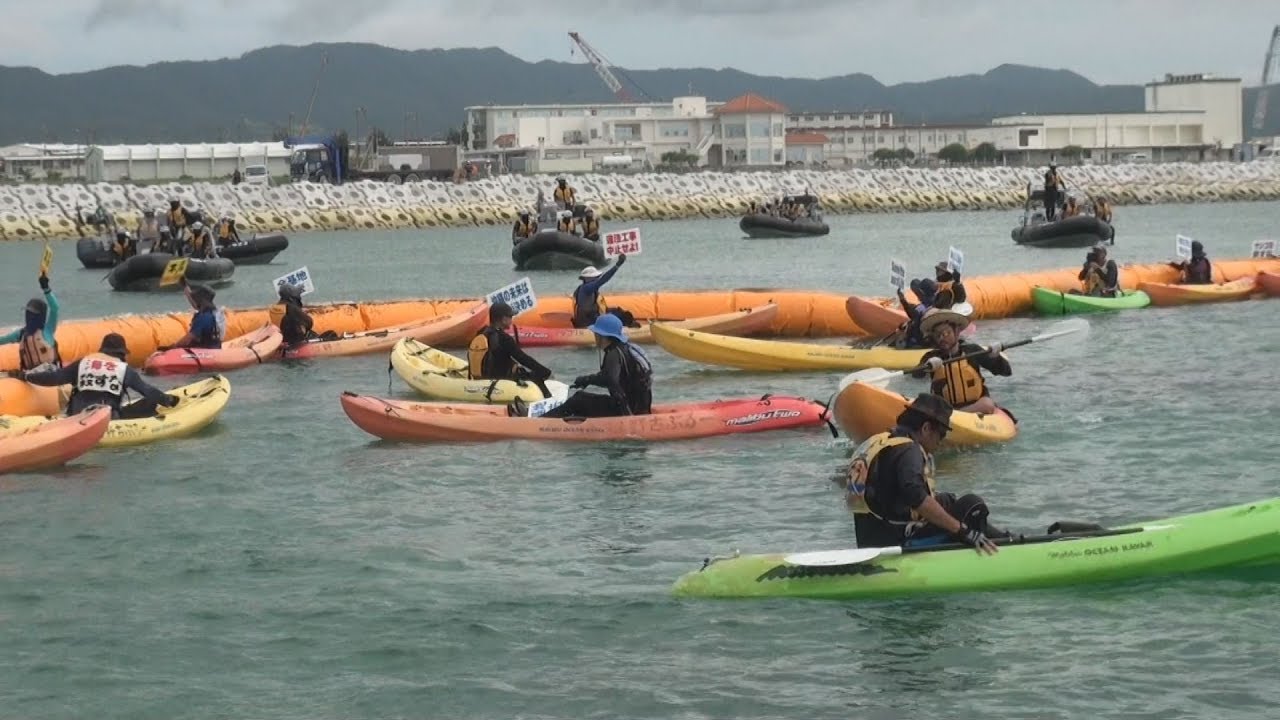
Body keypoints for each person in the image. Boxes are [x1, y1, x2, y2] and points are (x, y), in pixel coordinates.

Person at [845, 392, 1004, 552]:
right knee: (972, 504)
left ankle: (1003, 539)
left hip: (869, 540)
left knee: (947, 500)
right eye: (941, 434)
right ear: (926, 428)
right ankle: (1004, 545)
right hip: (898, 542)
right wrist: (963, 531)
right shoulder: (909, 450)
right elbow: (916, 497)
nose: (941, 441)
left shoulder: (877, 442)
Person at [511, 314, 651, 418]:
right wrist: (588, 380)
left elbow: (610, 379)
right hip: (637, 406)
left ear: (603, 336)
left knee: (579, 399)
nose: (595, 336)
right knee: (583, 400)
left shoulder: (613, 354)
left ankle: (538, 422)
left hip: (626, 410)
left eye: (596, 334)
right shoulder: (624, 348)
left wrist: (587, 379)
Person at [23, 333, 179, 420]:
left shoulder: (83, 363)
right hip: (107, 419)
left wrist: (27, 377)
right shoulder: (123, 369)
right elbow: (148, 391)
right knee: (150, 403)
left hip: (76, 416)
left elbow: (53, 378)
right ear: (121, 353)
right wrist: (168, 400)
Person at [916, 308, 1011, 416]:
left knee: (987, 404)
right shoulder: (931, 357)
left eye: (946, 333)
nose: (942, 338)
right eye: (937, 335)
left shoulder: (972, 351)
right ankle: (950, 415)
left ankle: (953, 415)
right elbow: (916, 375)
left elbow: (1006, 371)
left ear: (957, 332)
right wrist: (926, 366)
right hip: (945, 408)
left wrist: (995, 356)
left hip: (975, 405)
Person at [468, 302, 553, 397]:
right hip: (502, 381)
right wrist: (545, 371)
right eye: (510, 317)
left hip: (483, 379)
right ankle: (548, 398)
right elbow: (523, 358)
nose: (511, 320)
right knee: (537, 376)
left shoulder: (480, 333)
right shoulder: (504, 338)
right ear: (504, 319)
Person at [0, 273, 61, 372]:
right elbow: (3, 340)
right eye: (28, 313)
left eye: (33, 314)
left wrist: (46, 289)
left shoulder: (48, 330)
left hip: (50, 373)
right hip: (30, 375)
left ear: (41, 316)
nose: (30, 316)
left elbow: (55, 308)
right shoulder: (21, 334)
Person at [162, 283, 225, 350]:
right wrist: (185, 286)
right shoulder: (215, 313)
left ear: (202, 300)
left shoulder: (204, 317)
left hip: (203, 350)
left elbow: (189, 338)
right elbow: (195, 304)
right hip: (216, 347)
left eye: (196, 298)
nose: (195, 299)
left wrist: (173, 347)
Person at [572, 255, 627, 329]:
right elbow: (602, 280)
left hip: (592, 319)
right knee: (618, 316)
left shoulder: (589, 289)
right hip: (587, 323)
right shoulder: (586, 288)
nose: (597, 279)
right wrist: (617, 265)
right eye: (596, 277)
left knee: (619, 312)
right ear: (587, 278)